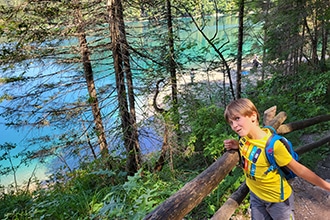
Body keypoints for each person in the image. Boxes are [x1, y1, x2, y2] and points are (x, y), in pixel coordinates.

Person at [223, 98, 330, 220]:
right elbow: (249, 150)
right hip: (256, 197)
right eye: (231, 122)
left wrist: (326, 186)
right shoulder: (244, 140)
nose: (234, 126)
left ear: (253, 116)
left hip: (278, 201)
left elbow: (299, 170)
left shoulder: (274, 146)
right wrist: (237, 145)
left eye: (237, 119)